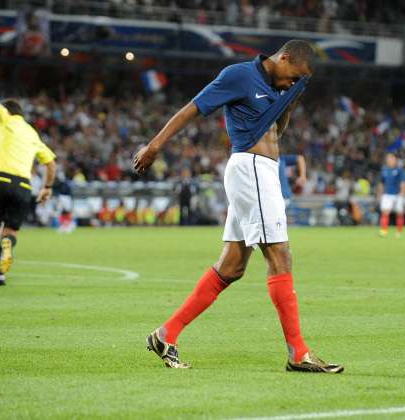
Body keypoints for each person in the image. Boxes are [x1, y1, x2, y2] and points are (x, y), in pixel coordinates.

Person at [134, 40, 343, 373]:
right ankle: (298, 353)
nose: (294, 82)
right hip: (252, 169)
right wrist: (155, 145)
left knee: (232, 267)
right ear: (284, 58)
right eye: (295, 75)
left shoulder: (279, 87)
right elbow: (193, 107)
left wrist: (290, 99)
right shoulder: (239, 76)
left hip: (262, 171)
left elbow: (276, 129)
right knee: (280, 255)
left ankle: (165, 334)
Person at [0, 46, 56, 286]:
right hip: (24, 186)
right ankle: (9, 243)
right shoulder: (32, 133)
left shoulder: (5, 118)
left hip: (0, 181)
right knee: (10, 230)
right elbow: (51, 164)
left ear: (8, 111)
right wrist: (47, 188)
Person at [377, 153, 405, 238]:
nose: (389, 160)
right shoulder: (384, 170)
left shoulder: (399, 170)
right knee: (385, 212)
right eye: (388, 158)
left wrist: (403, 193)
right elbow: (381, 183)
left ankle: (399, 232)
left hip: (397, 195)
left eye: (391, 158)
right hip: (387, 194)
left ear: (395, 159)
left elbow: (403, 182)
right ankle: (384, 231)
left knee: (399, 213)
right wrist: (379, 193)